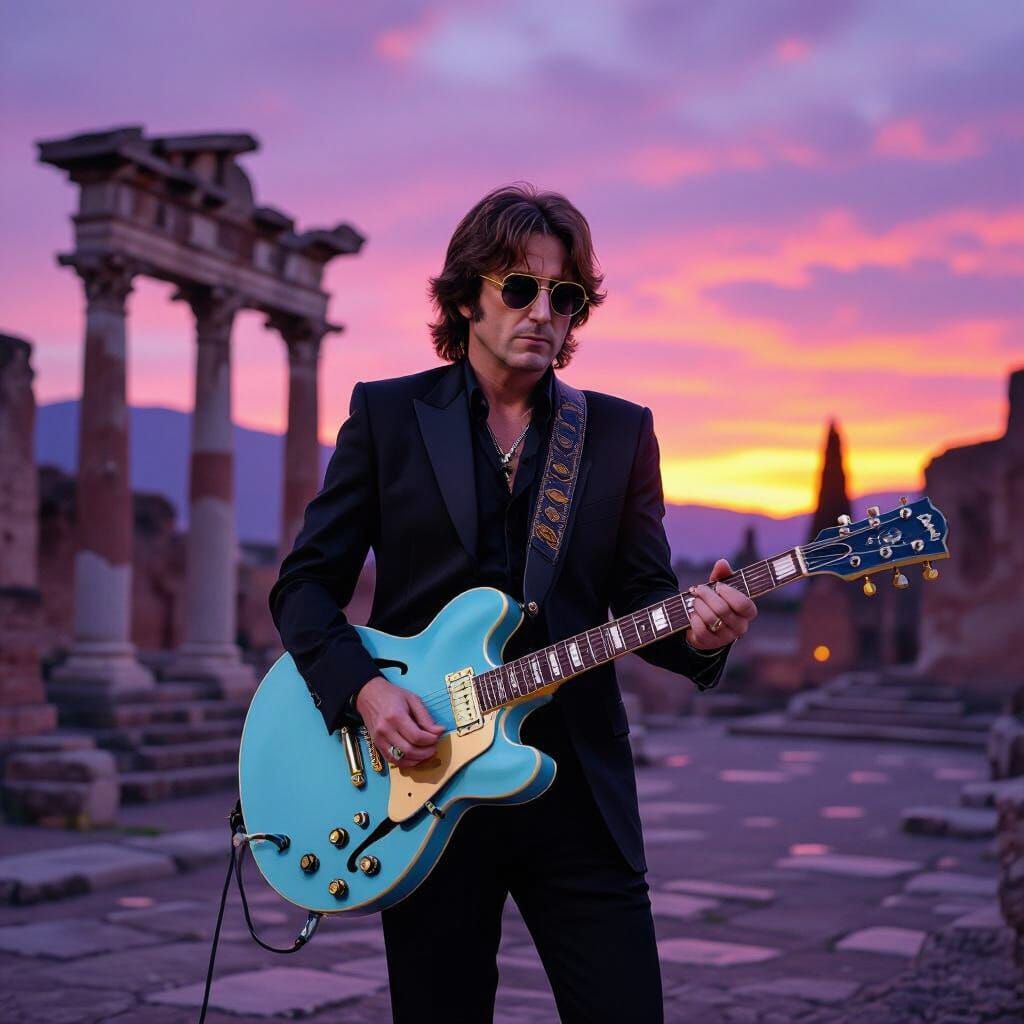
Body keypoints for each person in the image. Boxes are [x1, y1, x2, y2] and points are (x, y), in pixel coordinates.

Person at [269, 184, 758, 1023]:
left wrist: (707, 632)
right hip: (425, 784)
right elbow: (305, 585)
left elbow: (645, 600)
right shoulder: (386, 416)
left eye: (565, 297)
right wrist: (366, 690)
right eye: (519, 288)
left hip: (576, 788)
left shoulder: (617, 432)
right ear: (465, 297)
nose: (544, 312)